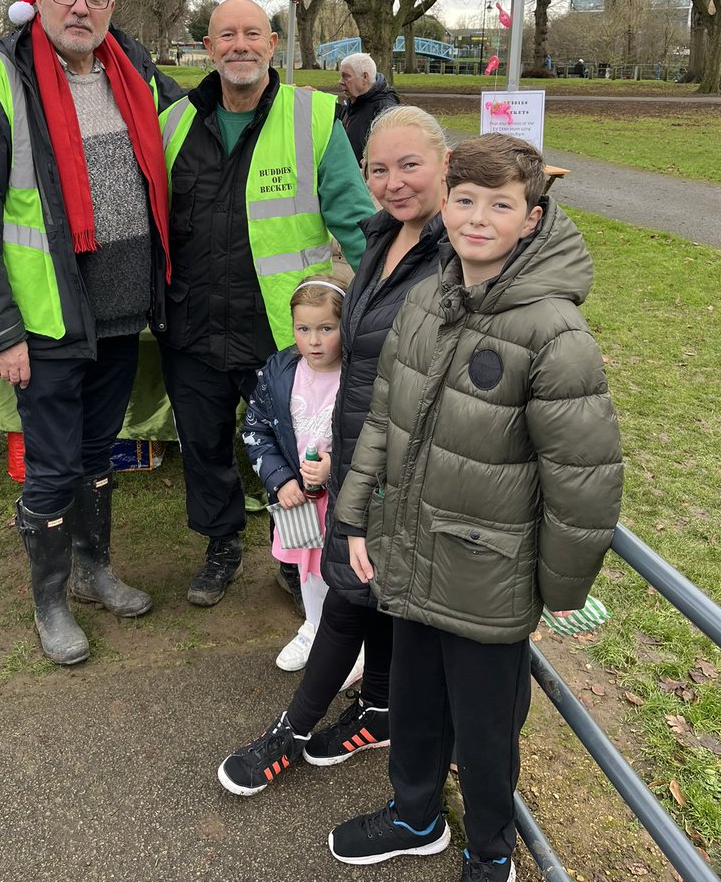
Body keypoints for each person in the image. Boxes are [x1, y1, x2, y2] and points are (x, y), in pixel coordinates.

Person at [329, 134, 623, 880]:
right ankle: (414, 815)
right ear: (446, 206)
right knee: (417, 704)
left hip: (489, 576)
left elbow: (583, 478)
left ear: (531, 218)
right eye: (464, 200)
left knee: (487, 732)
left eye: (500, 204)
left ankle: (491, 852)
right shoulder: (427, 297)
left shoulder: (554, 333)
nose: (478, 218)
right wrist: (356, 515)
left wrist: (561, 589)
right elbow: (385, 420)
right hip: (413, 552)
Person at [0, 0, 183, 667]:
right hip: (46, 320)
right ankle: (50, 602)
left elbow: (194, 135)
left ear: (112, 3)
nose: (81, 6)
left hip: (119, 313)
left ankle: (92, 570)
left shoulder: (132, 68)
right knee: (51, 465)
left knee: (96, 450)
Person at [217, 106, 450, 797]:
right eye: (378, 168)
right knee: (365, 594)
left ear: (444, 164)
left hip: (400, 472)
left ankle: (288, 732)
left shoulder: (452, 252)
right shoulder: (383, 238)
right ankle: (377, 708)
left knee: (348, 596)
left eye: (410, 165)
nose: (392, 181)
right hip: (360, 460)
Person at [158, 0, 375, 607]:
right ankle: (220, 542)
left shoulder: (312, 118)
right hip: (193, 324)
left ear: (273, 43)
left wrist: (389, 297)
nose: (239, 46)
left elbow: (358, 223)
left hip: (282, 332)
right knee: (202, 444)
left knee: (293, 446)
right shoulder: (172, 123)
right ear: (208, 47)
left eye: (252, 34)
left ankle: (298, 547)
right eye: (226, 36)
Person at [242, 275, 348, 671]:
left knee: (346, 571)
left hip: (345, 500)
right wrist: (280, 479)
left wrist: (334, 468)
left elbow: (379, 436)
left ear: (346, 325)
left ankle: (351, 641)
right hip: (299, 501)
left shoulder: (358, 376)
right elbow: (256, 429)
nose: (314, 341)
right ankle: (314, 625)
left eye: (326, 328)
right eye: (303, 329)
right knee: (308, 567)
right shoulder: (279, 371)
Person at [337, 52, 400, 164]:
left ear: (365, 77)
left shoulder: (385, 111)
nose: (340, 82)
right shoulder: (351, 104)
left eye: (346, 76)